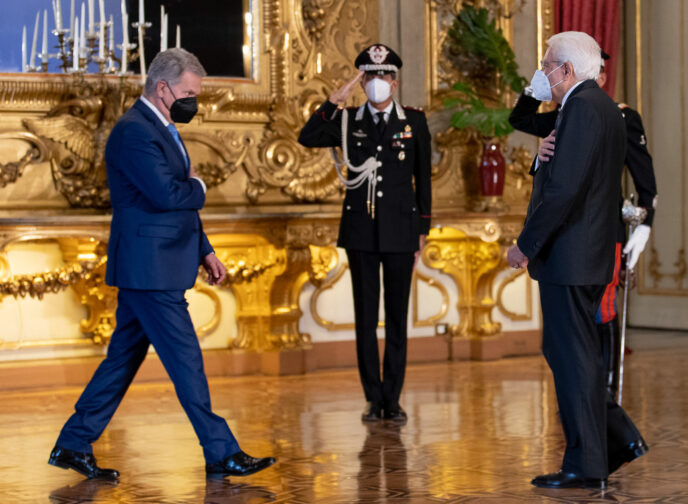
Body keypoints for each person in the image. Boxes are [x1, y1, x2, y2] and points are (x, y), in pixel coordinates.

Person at [48, 48, 276, 480]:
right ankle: (221, 451)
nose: (195, 101)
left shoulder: (161, 127)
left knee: (122, 360)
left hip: (156, 265)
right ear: (163, 87)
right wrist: (201, 187)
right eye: (189, 93)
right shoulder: (135, 131)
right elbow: (168, 196)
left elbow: (178, 201)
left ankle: (73, 443)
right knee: (186, 360)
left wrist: (204, 249)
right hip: (149, 269)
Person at [506, 32, 646, 489]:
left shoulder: (582, 108)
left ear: (567, 70)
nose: (543, 72)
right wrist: (544, 158)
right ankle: (611, 445)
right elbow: (572, 173)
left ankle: (587, 463)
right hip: (585, 254)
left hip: (571, 255)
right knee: (573, 355)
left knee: (574, 360)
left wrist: (525, 246)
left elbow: (565, 190)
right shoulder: (600, 106)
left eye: (547, 65)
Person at [509, 51, 658, 397]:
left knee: (603, 313)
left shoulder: (617, 115)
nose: (599, 77)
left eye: (603, 72)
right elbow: (521, 120)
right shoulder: (567, 113)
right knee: (572, 334)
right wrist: (536, 88)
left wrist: (646, 224)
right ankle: (588, 396)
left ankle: (604, 390)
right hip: (569, 239)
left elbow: (644, 177)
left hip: (603, 230)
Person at [298, 44, 431, 424]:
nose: (377, 83)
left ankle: (394, 397)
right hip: (361, 232)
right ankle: (373, 398)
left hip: (401, 231)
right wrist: (332, 101)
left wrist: (423, 229)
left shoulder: (413, 122)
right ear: (362, 81)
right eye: (370, 76)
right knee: (365, 317)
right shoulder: (347, 119)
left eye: (384, 76)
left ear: (395, 81)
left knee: (397, 318)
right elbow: (307, 137)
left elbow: (423, 180)